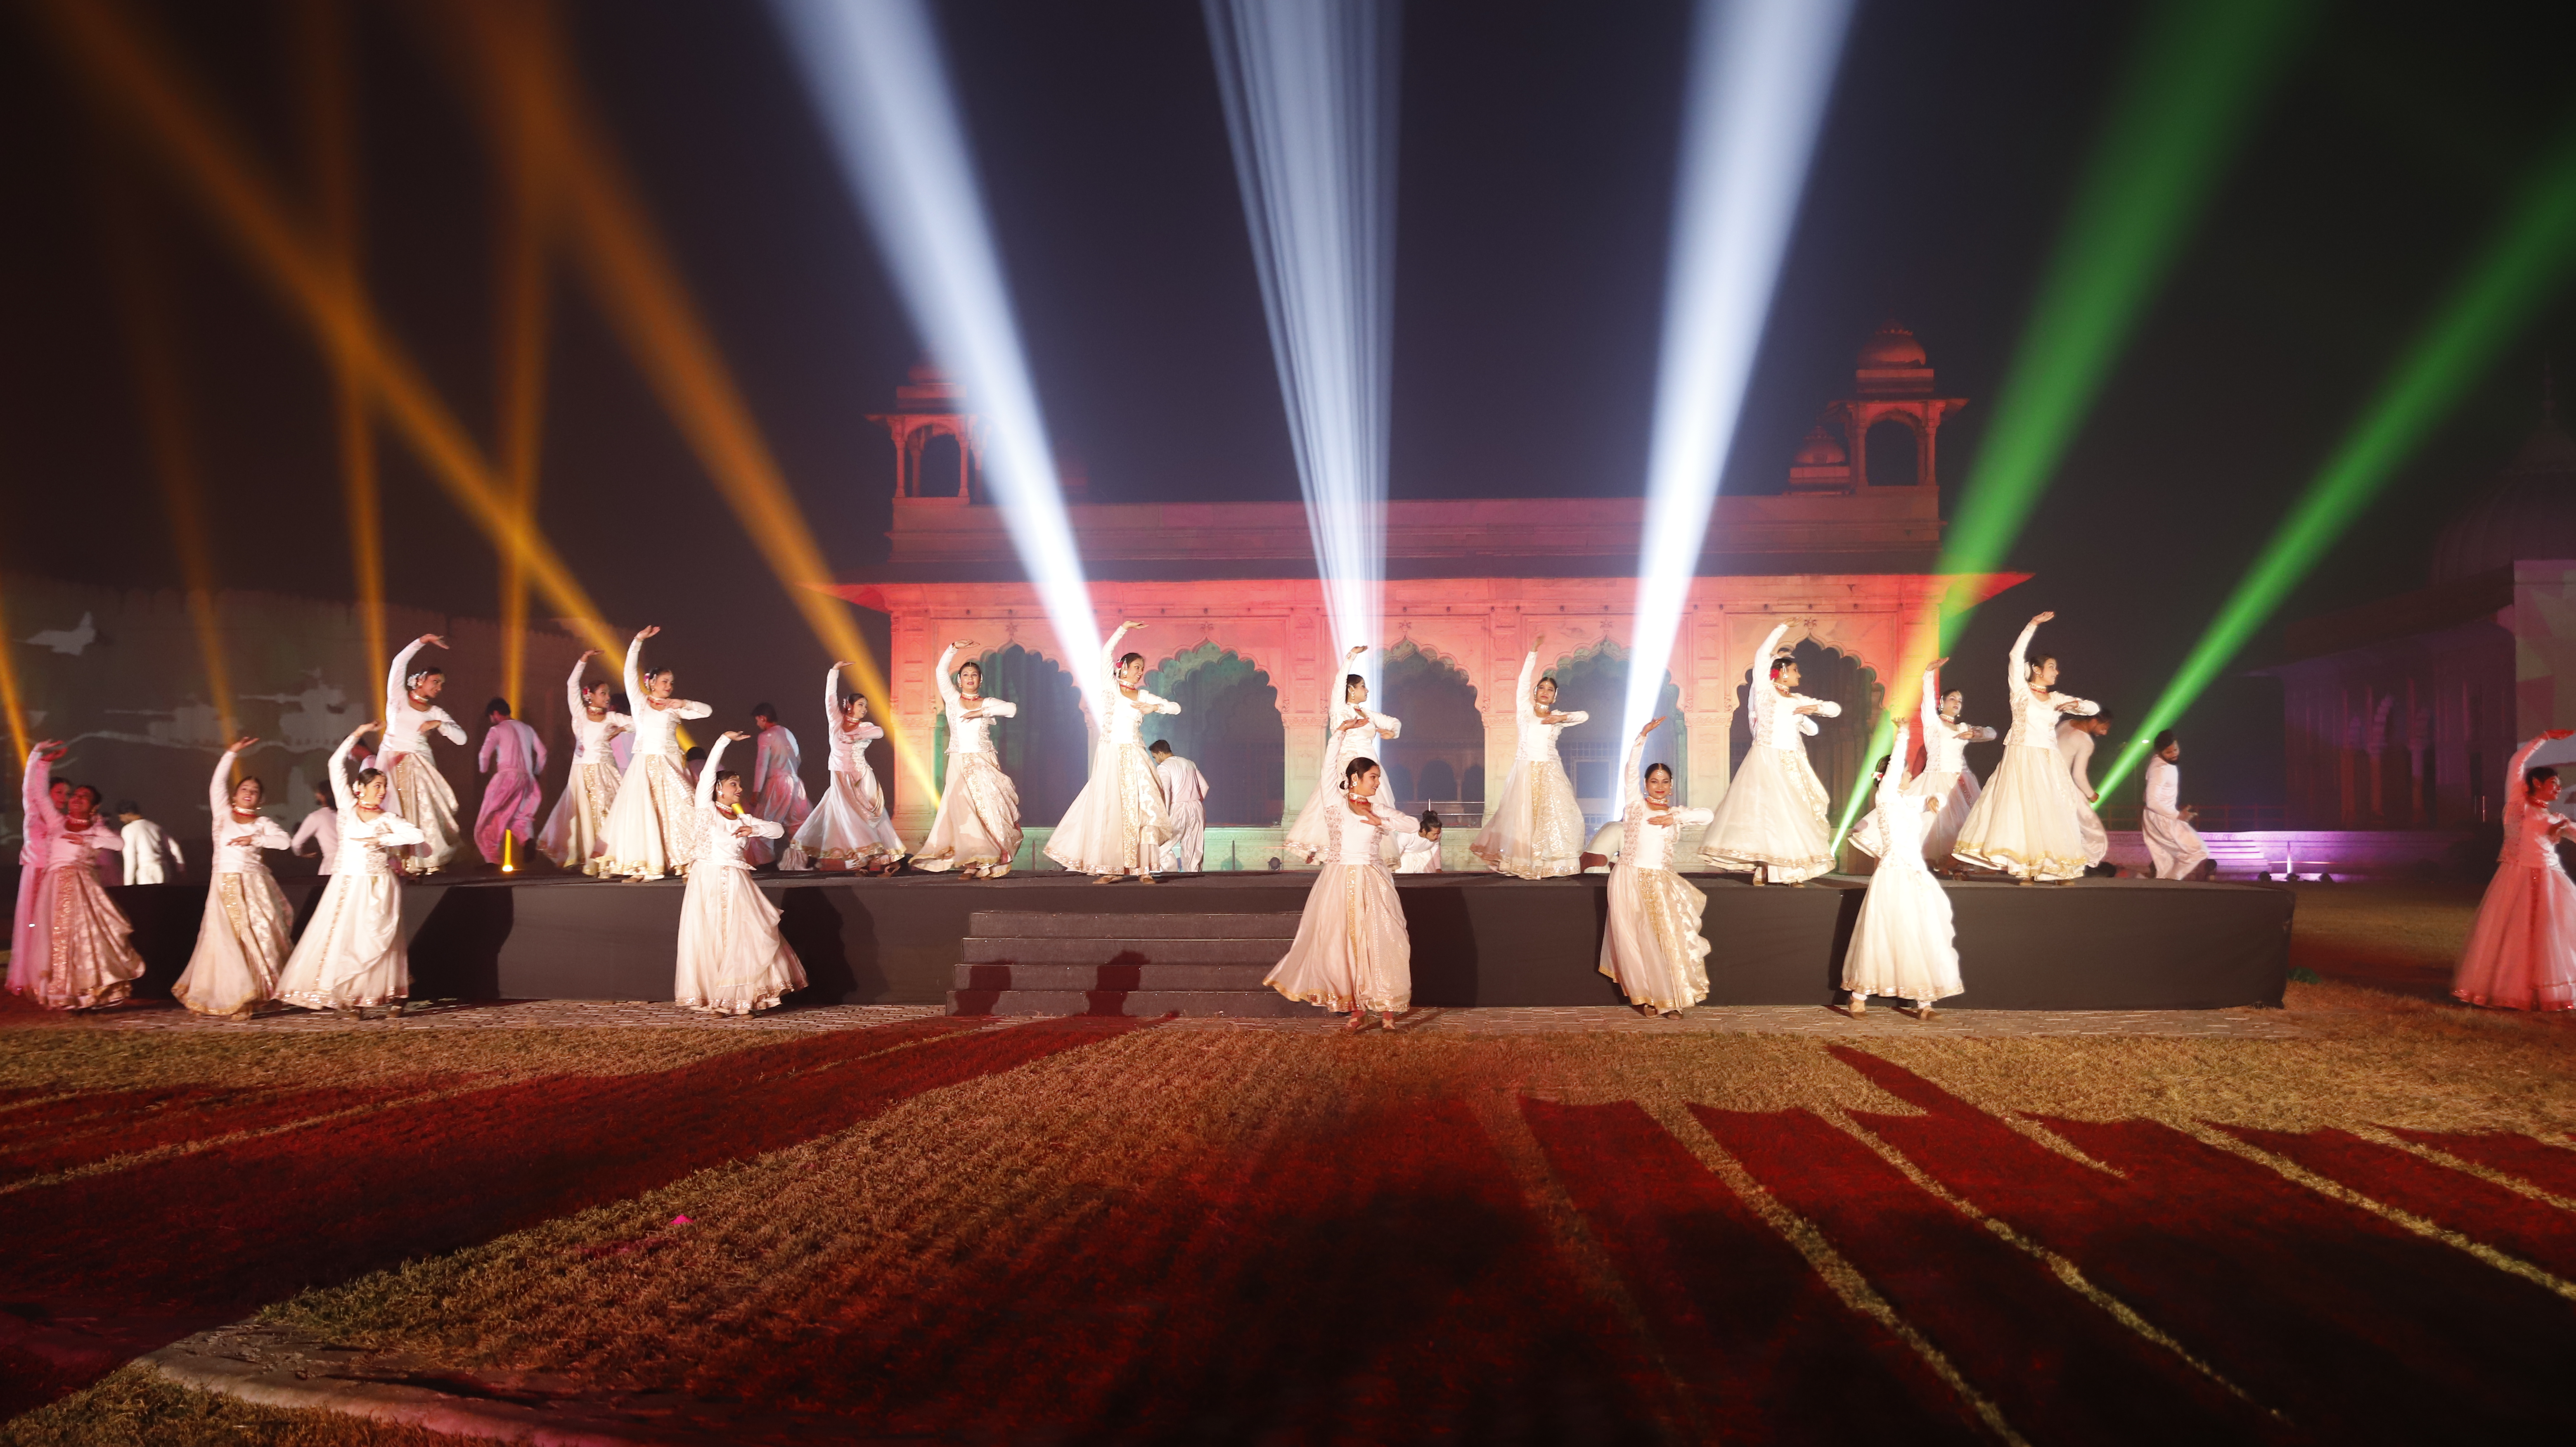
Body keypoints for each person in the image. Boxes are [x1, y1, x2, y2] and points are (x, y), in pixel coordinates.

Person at [276, 724, 427, 1015]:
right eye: (376, 786)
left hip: (380, 884)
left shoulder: (388, 817)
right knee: (346, 938)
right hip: (348, 883)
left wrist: (382, 838)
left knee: (378, 938)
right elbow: (335, 764)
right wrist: (357, 734)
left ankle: (387, 995)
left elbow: (417, 836)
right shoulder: (346, 808)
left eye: (384, 787)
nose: (381, 792)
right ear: (360, 788)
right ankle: (346, 997)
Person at [1264, 756, 1420, 1030]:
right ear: (1355, 779)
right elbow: (1327, 770)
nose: (1378, 782)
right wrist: (1340, 732)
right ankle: (1357, 1011)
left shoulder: (1378, 808)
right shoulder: (1335, 804)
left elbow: (1413, 825)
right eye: (1373, 777)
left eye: (1378, 777)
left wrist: (1381, 822)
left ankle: (1387, 1012)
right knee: (1343, 945)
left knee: (1384, 939)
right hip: (1338, 880)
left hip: (1374, 878)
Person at [1952, 612, 2100, 883]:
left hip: (2047, 759)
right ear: (2037, 670)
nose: (2057, 672)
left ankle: (2058, 867)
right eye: (2052, 667)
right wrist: (2033, 625)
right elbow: (2014, 656)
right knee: (2020, 812)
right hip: (2020, 756)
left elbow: (2094, 708)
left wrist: (2076, 706)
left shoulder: (2056, 698)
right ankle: (2024, 867)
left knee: (2052, 809)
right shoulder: (2019, 690)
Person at [675, 732, 808, 1015]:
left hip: (737, 881)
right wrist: (722, 740)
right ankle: (716, 997)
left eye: (739, 784)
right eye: (733, 784)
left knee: (743, 937)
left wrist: (754, 829)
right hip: (707, 879)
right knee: (711, 938)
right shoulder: (707, 810)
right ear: (718, 789)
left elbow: (778, 829)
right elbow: (709, 772)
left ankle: (740, 998)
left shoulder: (743, 818)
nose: (739, 789)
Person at [1699, 622, 1841, 884]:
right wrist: (1781, 628)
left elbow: (1834, 711)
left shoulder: (1799, 700)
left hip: (1794, 763)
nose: (1799, 676)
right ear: (1782, 672)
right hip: (1766, 759)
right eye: (1795, 670)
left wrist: (1814, 711)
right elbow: (1762, 656)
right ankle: (1764, 866)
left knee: (1793, 816)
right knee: (1766, 815)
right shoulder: (1763, 691)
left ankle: (1790, 868)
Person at [11, 744, 144, 1010]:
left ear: (94, 807)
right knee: (56, 940)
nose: (76, 799)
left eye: (85, 797)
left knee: (84, 941)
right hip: (53, 888)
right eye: (76, 795)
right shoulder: (56, 822)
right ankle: (63, 994)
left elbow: (118, 844)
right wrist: (42, 762)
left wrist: (88, 838)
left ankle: (90, 993)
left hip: (82, 890)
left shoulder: (98, 830)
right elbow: (37, 795)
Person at [1842, 724, 1963, 1019]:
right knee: (1882, 933)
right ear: (1892, 777)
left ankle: (1925, 1002)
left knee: (1922, 932)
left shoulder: (1907, 803)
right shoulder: (1886, 798)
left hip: (1915, 875)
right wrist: (1903, 736)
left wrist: (1936, 800)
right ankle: (1859, 997)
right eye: (1907, 773)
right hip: (1893, 875)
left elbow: (1928, 801)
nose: (1910, 776)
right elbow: (1896, 768)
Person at [1046, 621, 1181, 882]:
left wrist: (1156, 708)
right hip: (1110, 755)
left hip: (1136, 756)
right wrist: (1123, 629)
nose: (1140, 672)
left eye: (1143, 668)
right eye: (1136, 667)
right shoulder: (1110, 688)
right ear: (1124, 668)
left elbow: (1176, 708)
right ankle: (1111, 868)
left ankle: (1144, 869)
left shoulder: (1144, 696)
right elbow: (1105, 654)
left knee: (1143, 810)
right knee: (1111, 810)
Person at [1601, 718, 1714, 1018]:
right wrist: (1641, 738)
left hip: (1660, 882)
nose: (1660, 787)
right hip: (1628, 878)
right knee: (1633, 941)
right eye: (1654, 781)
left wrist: (1675, 818)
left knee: (1663, 940)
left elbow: (1708, 815)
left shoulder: (1677, 812)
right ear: (1645, 784)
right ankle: (1645, 997)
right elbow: (1630, 770)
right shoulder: (1636, 805)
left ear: (1672, 785)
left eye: (1665, 782)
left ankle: (1669, 998)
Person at [173, 737, 294, 1019]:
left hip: (254, 885)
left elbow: (285, 842)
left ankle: (259, 994)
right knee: (225, 939)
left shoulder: (262, 823)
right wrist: (231, 753)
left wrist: (256, 837)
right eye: (244, 789)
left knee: (260, 936)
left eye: (254, 791)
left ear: (261, 800)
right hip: (224, 883)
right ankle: (232, 997)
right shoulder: (223, 815)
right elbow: (216, 785)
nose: (249, 793)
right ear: (234, 796)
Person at [595, 625, 712, 881]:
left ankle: (687, 862)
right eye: (664, 682)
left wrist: (684, 703)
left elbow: (707, 712)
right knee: (643, 815)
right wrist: (637, 641)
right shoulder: (639, 703)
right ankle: (643, 865)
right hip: (644, 766)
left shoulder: (674, 708)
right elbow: (628, 672)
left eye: (671, 683)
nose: (669, 686)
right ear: (651, 683)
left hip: (670, 766)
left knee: (682, 810)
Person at [1470, 635, 1589, 878]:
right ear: (1536, 692)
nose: (1546, 692)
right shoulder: (1524, 711)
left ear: (1555, 696)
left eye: (1551, 690)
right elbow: (1523, 682)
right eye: (1542, 688)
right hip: (1525, 769)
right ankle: (1524, 863)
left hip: (1550, 770)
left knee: (1558, 816)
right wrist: (1533, 653)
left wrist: (1561, 718)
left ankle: (1551, 865)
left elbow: (1585, 716)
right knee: (1524, 818)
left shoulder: (1557, 717)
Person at [912, 643, 1022, 877]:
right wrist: (952, 648)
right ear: (959, 680)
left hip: (985, 760)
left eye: (974, 675)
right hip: (959, 762)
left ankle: (992, 859)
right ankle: (972, 863)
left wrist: (981, 712)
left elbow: (1012, 709)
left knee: (991, 808)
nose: (970, 678)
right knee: (963, 812)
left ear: (980, 680)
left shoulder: (988, 702)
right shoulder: (952, 700)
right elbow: (941, 672)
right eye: (965, 675)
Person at [1285, 645, 1402, 863]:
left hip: (1370, 767)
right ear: (1351, 690)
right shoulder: (1340, 710)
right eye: (1363, 687)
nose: (1367, 691)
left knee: (1372, 808)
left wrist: (1391, 732)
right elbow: (1339, 682)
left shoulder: (1367, 714)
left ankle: (1367, 852)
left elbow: (1394, 722)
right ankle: (1328, 850)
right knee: (1339, 807)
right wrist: (1352, 657)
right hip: (1348, 766)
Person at [792, 663, 907, 873]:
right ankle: (860, 861)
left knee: (872, 817)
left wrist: (855, 735)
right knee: (846, 818)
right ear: (849, 706)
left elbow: (880, 732)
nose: (865, 709)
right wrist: (834, 672)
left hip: (862, 776)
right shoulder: (836, 721)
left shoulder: (866, 727)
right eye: (861, 705)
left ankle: (890, 858)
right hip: (839, 776)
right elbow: (829, 698)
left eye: (866, 706)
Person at [380, 633, 468, 875]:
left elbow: (462, 739)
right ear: (420, 681)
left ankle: (424, 863)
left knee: (424, 813)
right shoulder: (397, 696)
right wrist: (422, 641)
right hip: (391, 760)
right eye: (435, 682)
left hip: (420, 764)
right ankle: (397, 863)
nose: (439, 688)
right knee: (392, 811)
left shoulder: (436, 712)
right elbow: (399, 662)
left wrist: (439, 725)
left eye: (441, 684)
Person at [537, 651, 629, 876]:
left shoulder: (612, 718)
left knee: (608, 813)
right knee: (585, 818)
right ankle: (593, 861)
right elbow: (571, 684)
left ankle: (609, 860)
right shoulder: (579, 714)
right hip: (580, 772)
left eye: (608, 693)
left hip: (605, 772)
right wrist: (584, 660)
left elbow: (638, 724)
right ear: (590, 696)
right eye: (603, 693)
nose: (608, 697)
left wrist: (621, 729)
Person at [474, 697, 548, 866]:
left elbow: (484, 755)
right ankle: (527, 840)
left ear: (495, 714)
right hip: (527, 779)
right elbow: (543, 752)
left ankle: (492, 860)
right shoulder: (527, 729)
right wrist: (536, 773)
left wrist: (484, 771)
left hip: (506, 777)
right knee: (520, 815)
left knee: (490, 817)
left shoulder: (497, 730)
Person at [745, 700, 813, 869]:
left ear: (763, 718)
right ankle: (808, 855)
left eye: (757, 720)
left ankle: (766, 863)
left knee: (762, 825)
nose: (757, 724)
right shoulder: (788, 733)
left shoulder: (766, 736)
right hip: (796, 783)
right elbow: (798, 758)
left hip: (778, 783)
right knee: (798, 823)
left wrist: (757, 791)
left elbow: (762, 764)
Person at [13, 772, 71, 970]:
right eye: (59, 792)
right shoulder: (34, 813)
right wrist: (40, 758)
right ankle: (33, 969)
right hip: (35, 874)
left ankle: (54, 969)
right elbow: (30, 787)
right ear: (47, 794)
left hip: (57, 878)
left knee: (56, 924)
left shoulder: (65, 821)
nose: (64, 798)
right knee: (33, 923)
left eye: (67, 793)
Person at [2142, 731, 2216, 881]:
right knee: (2199, 851)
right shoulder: (2159, 769)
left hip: (2158, 816)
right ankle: (2171, 882)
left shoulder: (2162, 763)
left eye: (2176, 749)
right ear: (2159, 752)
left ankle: (2165, 888)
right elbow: (2151, 801)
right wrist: (2178, 815)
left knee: (2167, 862)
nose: (2174, 754)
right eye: (2169, 752)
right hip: (2162, 818)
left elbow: (2147, 796)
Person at [2058, 708, 2113, 873]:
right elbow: (2079, 776)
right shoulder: (2086, 741)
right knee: (2091, 828)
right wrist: (2092, 795)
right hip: (2063, 786)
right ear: (2094, 721)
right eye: (2104, 728)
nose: (2105, 733)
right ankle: (2084, 863)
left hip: (2044, 781)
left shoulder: (2065, 724)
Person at [1151, 740, 1210, 873]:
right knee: (1194, 845)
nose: (1156, 761)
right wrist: (1196, 802)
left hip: (1177, 808)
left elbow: (1166, 790)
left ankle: (1168, 871)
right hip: (1196, 808)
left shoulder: (1164, 767)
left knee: (1163, 843)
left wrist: (1164, 812)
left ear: (1160, 753)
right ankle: (1193, 875)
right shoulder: (1190, 763)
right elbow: (1205, 787)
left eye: (1155, 757)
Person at [114, 801, 185, 885]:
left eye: (121, 817)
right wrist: (181, 869)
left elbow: (130, 859)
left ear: (128, 814)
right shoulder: (155, 827)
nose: (121, 820)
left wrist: (128, 885)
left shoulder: (128, 830)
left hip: (147, 872)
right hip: (164, 869)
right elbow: (175, 847)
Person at [1395, 809, 1444, 874]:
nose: (1437, 837)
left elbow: (1435, 849)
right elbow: (1397, 850)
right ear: (1424, 831)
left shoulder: (1438, 833)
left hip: (1424, 855)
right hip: (1405, 856)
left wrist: (1438, 868)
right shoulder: (1408, 833)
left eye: (1438, 834)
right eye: (1434, 834)